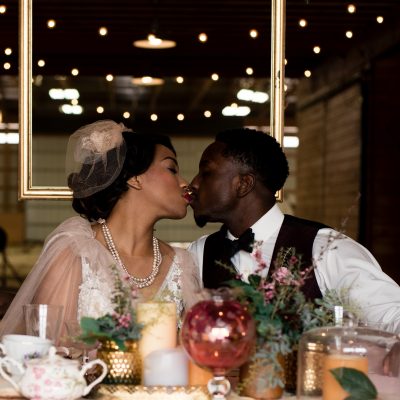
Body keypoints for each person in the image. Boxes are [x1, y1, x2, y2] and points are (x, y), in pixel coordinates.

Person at [0, 120, 200, 339]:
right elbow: (46, 350)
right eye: (172, 169)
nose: (184, 183)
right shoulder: (76, 251)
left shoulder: (181, 264)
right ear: (134, 178)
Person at [188, 127, 400, 334]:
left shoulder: (325, 249)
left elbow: (392, 316)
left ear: (244, 184)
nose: (194, 184)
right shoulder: (199, 252)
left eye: (206, 173)